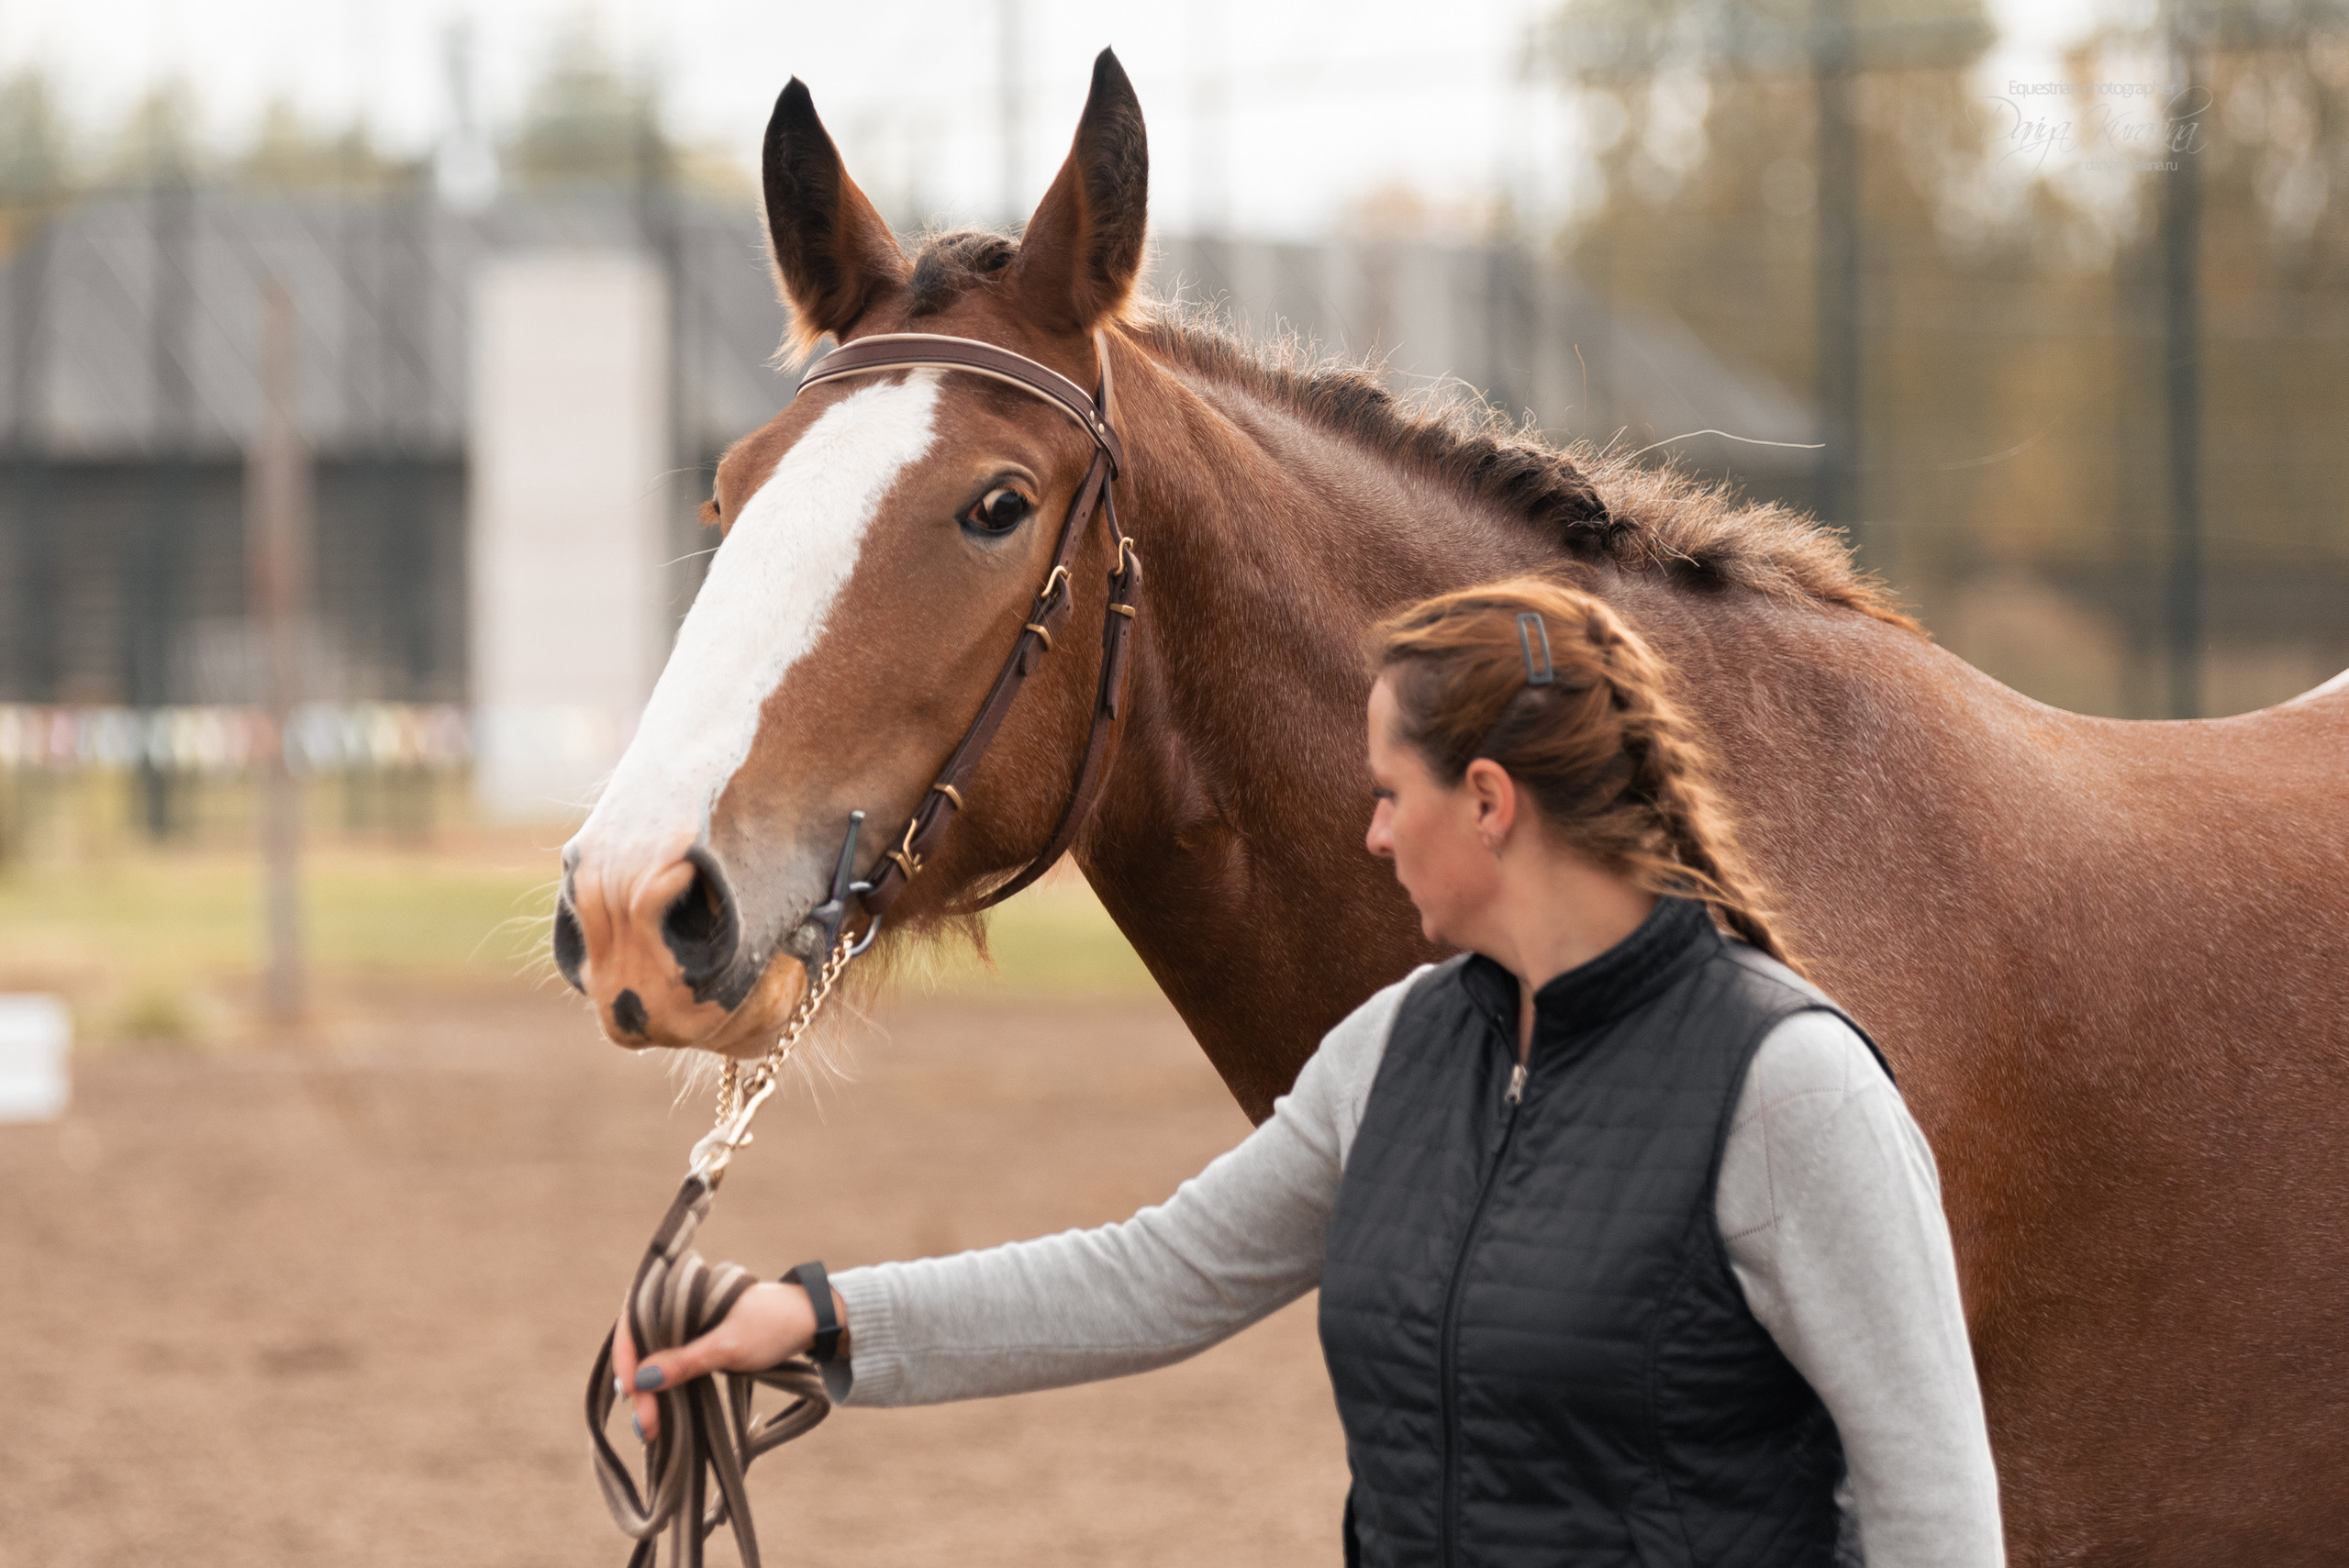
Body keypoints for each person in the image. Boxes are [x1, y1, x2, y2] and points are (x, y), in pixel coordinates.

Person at [614, 576, 2004, 1567]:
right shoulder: (1395, 1050)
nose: (1374, 836)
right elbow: (1154, 1276)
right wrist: (810, 1316)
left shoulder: (1790, 1090)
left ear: (1491, 801)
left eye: (1390, 794)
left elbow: (1935, 1511)